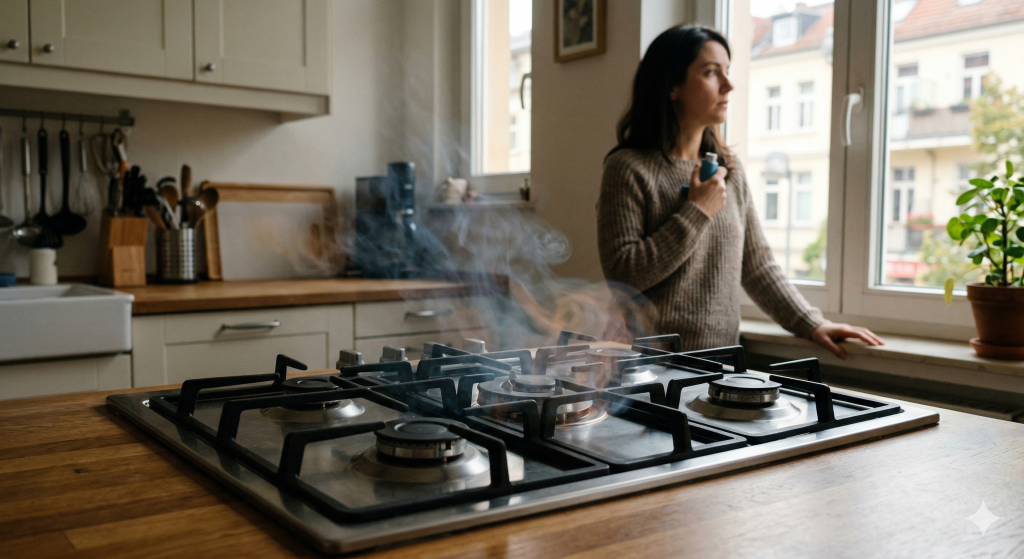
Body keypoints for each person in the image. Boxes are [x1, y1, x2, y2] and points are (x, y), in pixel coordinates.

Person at [597, 25, 882, 360]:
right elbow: (623, 273)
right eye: (711, 72)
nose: (728, 85)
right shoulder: (628, 168)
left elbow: (757, 266)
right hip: (651, 367)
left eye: (727, 72)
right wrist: (697, 212)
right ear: (672, 85)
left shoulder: (729, 170)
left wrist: (811, 323)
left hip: (724, 363)